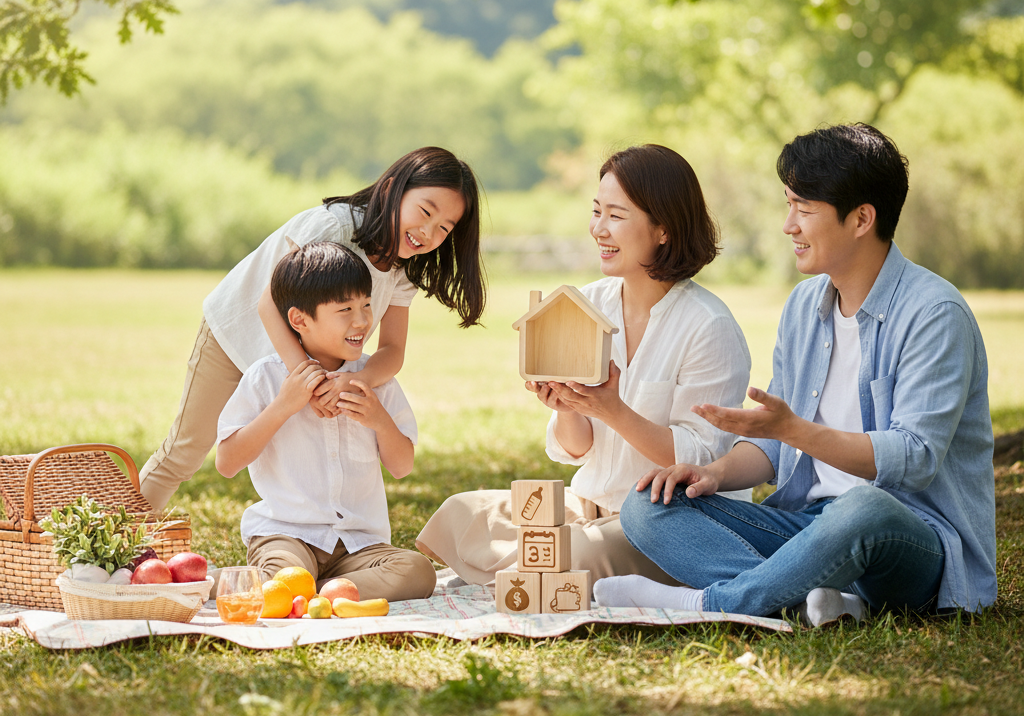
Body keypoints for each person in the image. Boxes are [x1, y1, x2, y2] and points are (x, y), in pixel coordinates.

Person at [598, 124, 996, 625]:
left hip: (907, 536)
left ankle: (716, 603)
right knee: (647, 505)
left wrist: (793, 430)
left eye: (803, 209)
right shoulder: (806, 306)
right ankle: (815, 600)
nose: (789, 225)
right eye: (789, 205)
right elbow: (775, 444)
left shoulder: (934, 313)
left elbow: (914, 457)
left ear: (861, 219)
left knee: (862, 508)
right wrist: (713, 474)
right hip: (809, 530)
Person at [416, 144, 752, 585]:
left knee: (564, 554)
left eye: (615, 215)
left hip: (663, 522)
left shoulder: (708, 326)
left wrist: (612, 409)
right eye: (596, 211)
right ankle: (536, 566)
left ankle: (531, 570)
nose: (598, 229)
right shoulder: (588, 304)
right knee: (461, 513)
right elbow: (576, 450)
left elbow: (700, 461)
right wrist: (568, 405)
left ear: (664, 229)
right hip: (587, 507)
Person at [140, 146, 486, 511]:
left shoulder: (403, 270)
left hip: (303, 366)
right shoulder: (335, 226)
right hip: (237, 336)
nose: (427, 232)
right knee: (186, 451)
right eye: (425, 211)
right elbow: (269, 303)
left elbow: (392, 351)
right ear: (391, 190)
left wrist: (356, 381)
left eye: (444, 228)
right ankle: (112, 555)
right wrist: (309, 379)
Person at [215, 241, 436, 600]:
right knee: (287, 572)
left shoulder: (376, 381)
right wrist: (283, 406)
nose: (362, 320)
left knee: (418, 571)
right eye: (345, 309)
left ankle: (308, 595)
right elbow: (226, 463)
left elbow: (403, 466)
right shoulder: (266, 378)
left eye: (366, 305)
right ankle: (313, 592)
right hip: (287, 535)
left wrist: (380, 420)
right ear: (300, 320)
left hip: (359, 548)